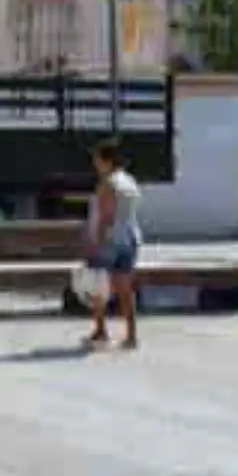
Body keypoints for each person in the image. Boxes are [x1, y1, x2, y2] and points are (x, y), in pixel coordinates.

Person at [84, 138, 143, 350]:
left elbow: (106, 217)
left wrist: (95, 243)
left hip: (109, 241)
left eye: (97, 160)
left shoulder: (108, 184)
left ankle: (101, 331)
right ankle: (131, 335)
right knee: (125, 289)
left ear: (107, 161)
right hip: (129, 238)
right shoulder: (129, 181)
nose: (95, 164)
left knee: (98, 286)